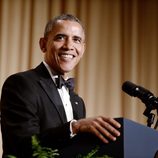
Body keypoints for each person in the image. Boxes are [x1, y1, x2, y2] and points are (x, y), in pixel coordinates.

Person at [0, 14, 121, 158]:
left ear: (83, 49)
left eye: (76, 40)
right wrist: (74, 127)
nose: (69, 46)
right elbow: (22, 145)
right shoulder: (21, 84)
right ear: (43, 44)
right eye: (60, 37)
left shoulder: (77, 102)